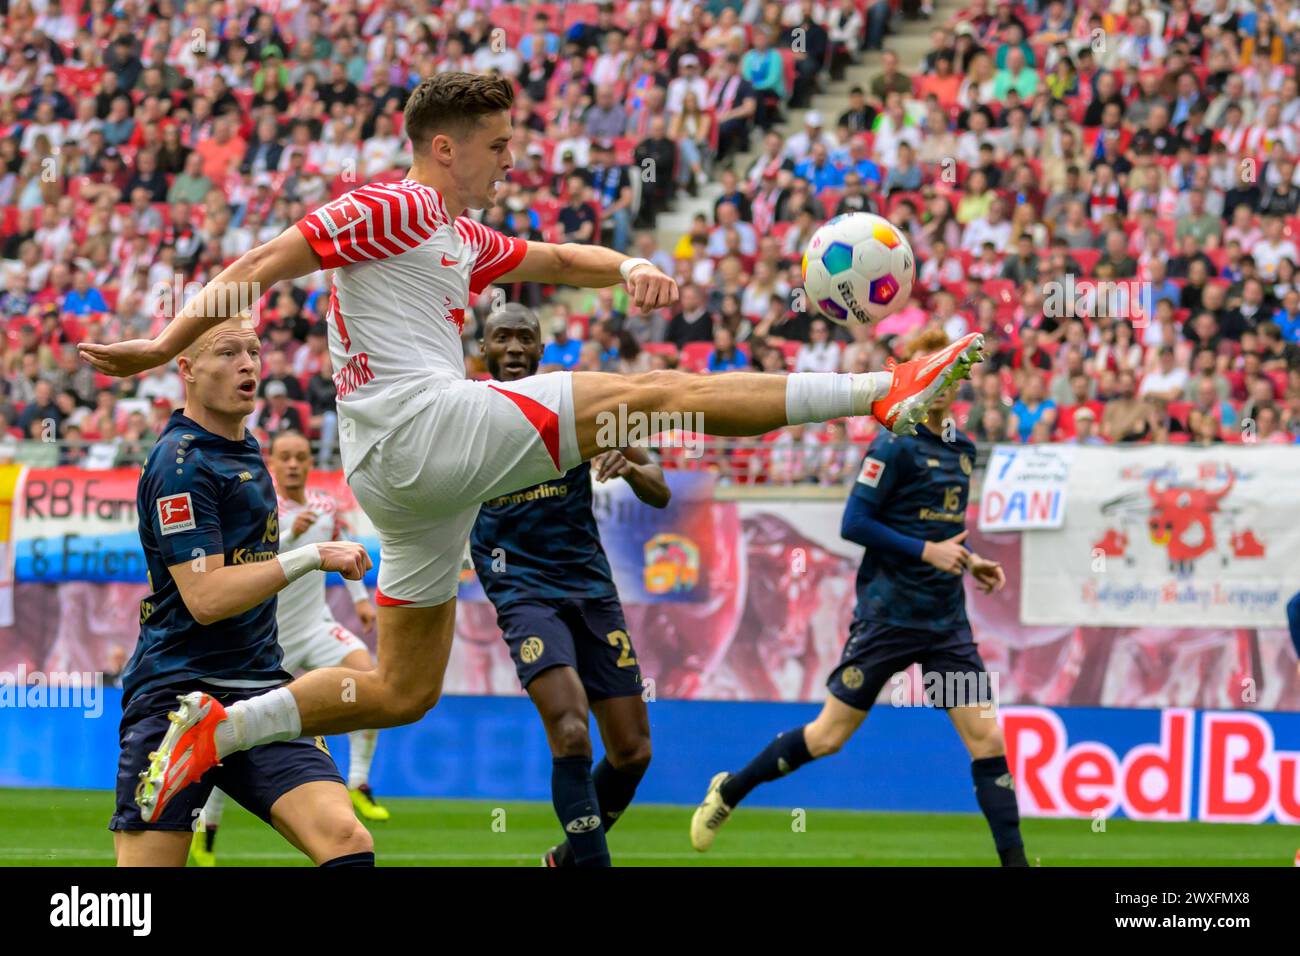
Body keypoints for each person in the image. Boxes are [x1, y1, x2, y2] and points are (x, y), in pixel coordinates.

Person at [79, 73, 985, 822]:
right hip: (416, 427)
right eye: (500, 144)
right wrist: (161, 349)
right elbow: (252, 269)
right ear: (446, 147)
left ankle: (218, 731)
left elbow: (553, 258)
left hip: (406, 477)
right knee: (650, 396)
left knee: (401, 690)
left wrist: (626, 265)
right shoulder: (389, 205)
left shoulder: (458, 236)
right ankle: (881, 391)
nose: (514, 158)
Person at [689, 329, 1028, 867]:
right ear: (917, 376)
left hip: (945, 624)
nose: (941, 381)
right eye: (930, 369)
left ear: (959, 380)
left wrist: (968, 559)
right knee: (827, 738)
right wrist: (925, 552)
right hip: (887, 616)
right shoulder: (893, 443)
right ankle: (730, 790)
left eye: (949, 371)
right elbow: (855, 523)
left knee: (988, 741)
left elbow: (942, 528)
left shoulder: (963, 451)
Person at [110, 314, 374, 866]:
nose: (248, 364)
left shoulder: (248, 446)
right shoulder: (180, 463)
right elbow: (205, 600)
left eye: (252, 351)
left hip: (261, 692)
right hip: (177, 696)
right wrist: (312, 556)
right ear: (186, 368)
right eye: (228, 353)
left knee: (347, 841)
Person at [470, 305, 665, 867]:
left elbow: (659, 487)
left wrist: (629, 467)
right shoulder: (465, 413)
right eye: (501, 338)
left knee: (632, 752)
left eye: (524, 339)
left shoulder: (579, 406)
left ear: (541, 350)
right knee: (572, 729)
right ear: (484, 351)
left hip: (589, 587)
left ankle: (564, 859)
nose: (512, 348)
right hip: (520, 587)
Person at [189, 430, 387, 866]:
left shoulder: (326, 507)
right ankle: (208, 828)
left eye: (302, 456)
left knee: (369, 678)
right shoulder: (262, 509)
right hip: (272, 639)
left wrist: (360, 602)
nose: (295, 464)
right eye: (286, 458)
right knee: (237, 733)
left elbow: (344, 554)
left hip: (317, 626)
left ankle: (359, 780)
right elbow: (247, 569)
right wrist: (292, 538)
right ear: (272, 464)